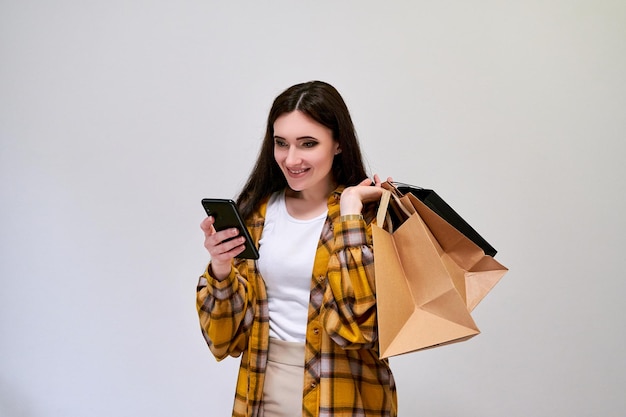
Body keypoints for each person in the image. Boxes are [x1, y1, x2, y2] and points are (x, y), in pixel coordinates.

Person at [197, 80, 397, 417]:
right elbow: (223, 339)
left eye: (308, 144)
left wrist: (349, 210)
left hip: (344, 395)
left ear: (338, 144)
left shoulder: (366, 216)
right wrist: (220, 266)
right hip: (262, 391)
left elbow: (360, 327)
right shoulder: (256, 214)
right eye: (281, 143)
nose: (291, 159)